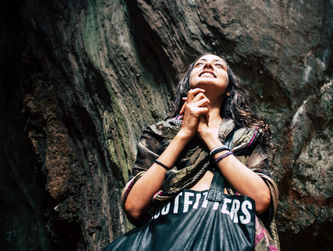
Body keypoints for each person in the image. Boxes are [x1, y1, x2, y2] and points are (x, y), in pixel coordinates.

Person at [104, 54, 279, 250]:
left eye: (218, 65)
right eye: (200, 64)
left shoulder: (247, 136)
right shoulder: (160, 133)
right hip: (169, 238)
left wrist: (206, 134)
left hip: (228, 237)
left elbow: (261, 200)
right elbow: (134, 206)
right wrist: (184, 133)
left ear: (229, 91)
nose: (208, 66)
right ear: (187, 87)